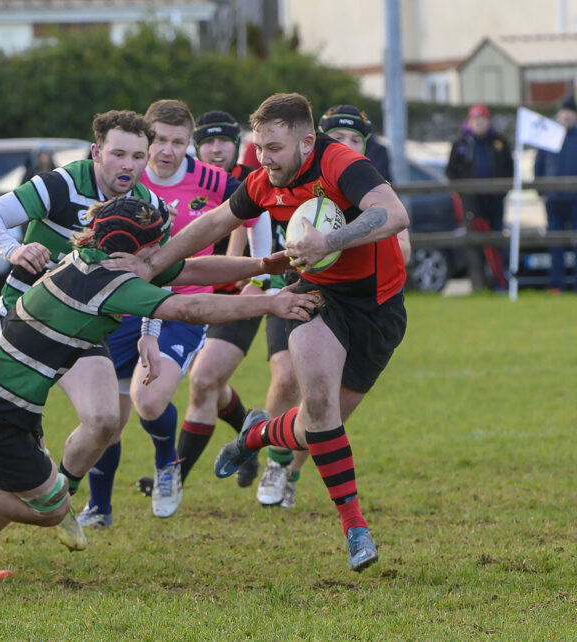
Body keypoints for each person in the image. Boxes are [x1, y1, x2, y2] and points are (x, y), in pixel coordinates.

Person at [0, 195, 317, 583]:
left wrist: (262, 265)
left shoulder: (93, 257)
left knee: (33, 484)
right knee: (50, 508)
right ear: (134, 249)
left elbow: (190, 270)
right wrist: (271, 304)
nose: (164, 251)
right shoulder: (110, 281)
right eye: (157, 245)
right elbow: (188, 307)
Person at [106, 93, 409, 572]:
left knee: (313, 429)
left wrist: (330, 240)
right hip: (315, 297)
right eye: (260, 148)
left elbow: (394, 214)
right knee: (321, 407)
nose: (264, 159)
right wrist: (152, 263)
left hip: (379, 308)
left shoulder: (341, 163)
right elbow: (214, 222)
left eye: (275, 148)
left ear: (306, 142)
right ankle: (356, 528)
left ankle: (258, 433)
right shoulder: (263, 181)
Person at [0, 110, 167, 569]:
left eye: (137, 156)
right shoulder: (62, 185)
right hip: (26, 324)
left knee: (104, 421)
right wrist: (15, 249)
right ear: (97, 152)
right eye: (118, 154)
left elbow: (155, 272)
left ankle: (61, 497)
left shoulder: (147, 206)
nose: (127, 165)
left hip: (85, 328)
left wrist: (150, 334)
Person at [79, 100, 246, 525]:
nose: (167, 151)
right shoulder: (127, 179)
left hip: (180, 304)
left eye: (179, 142)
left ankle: (167, 464)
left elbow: (252, 207)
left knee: (150, 400)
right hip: (121, 305)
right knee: (107, 419)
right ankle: (99, 508)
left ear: (190, 143)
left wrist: (256, 265)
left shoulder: (211, 178)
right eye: (160, 141)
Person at [255, 103, 414, 509]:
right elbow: (235, 216)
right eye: (338, 138)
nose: (346, 145)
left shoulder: (368, 187)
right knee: (286, 378)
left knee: (323, 413)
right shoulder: (287, 173)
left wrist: (340, 241)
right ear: (315, 141)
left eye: (355, 139)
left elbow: (401, 242)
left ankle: (284, 464)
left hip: (368, 304)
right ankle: (274, 463)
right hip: (297, 289)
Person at [135, 109, 298, 497]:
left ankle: (176, 479)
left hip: (253, 289)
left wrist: (257, 277)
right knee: (209, 382)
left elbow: (250, 222)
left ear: (237, 144)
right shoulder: (181, 179)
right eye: (208, 141)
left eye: (224, 140)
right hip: (205, 294)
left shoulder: (246, 180)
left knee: (213, 379)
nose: (216, 148)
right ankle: (247, 434)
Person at [447, 104, 513, 290]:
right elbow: (451, 171)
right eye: (475, 119)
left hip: (495, 202)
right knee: (474, 244)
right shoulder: (461, 143)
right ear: (469, 121)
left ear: (488, 121)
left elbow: (509, 169)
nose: (479, 123)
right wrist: (464, 193)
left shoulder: (500, 142)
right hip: (471, 203)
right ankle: (479, 285)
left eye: (482, 119)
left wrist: (501, 191)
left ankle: (499, 282)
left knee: (497, 242)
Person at [534, 94, 577, 294]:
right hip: (553, 199)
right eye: (564, 112)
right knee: (555, 244)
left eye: (570, 112)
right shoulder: (548, 137)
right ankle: (556, 285)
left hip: (575, 200)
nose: (567, 116)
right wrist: (542, 191)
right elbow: (539, 166)